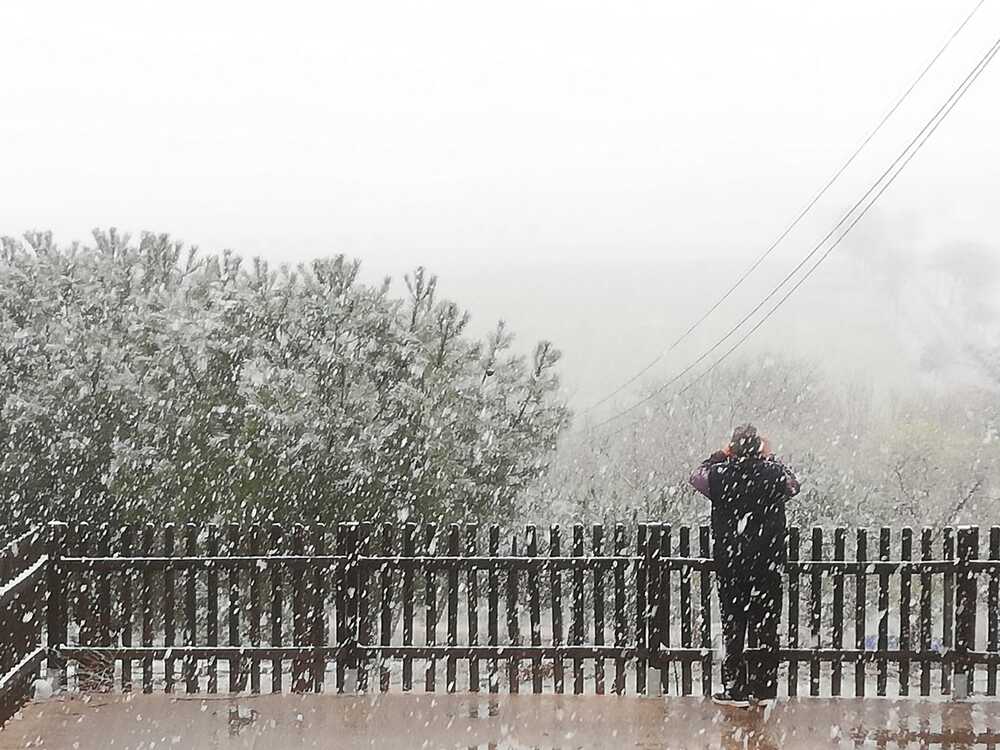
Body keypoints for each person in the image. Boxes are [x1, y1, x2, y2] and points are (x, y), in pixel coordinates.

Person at [689, 424, 800, 707]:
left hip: (732, 561)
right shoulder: (774, 474)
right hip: (768, 561)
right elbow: (793, 484)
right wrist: (771, 458)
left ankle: (735, 687)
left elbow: (696, 477)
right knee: (767, 625)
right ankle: (765, 688)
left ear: (733, 449)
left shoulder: (719, 475)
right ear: (759, 449)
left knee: (733, 623)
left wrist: (719, 455)